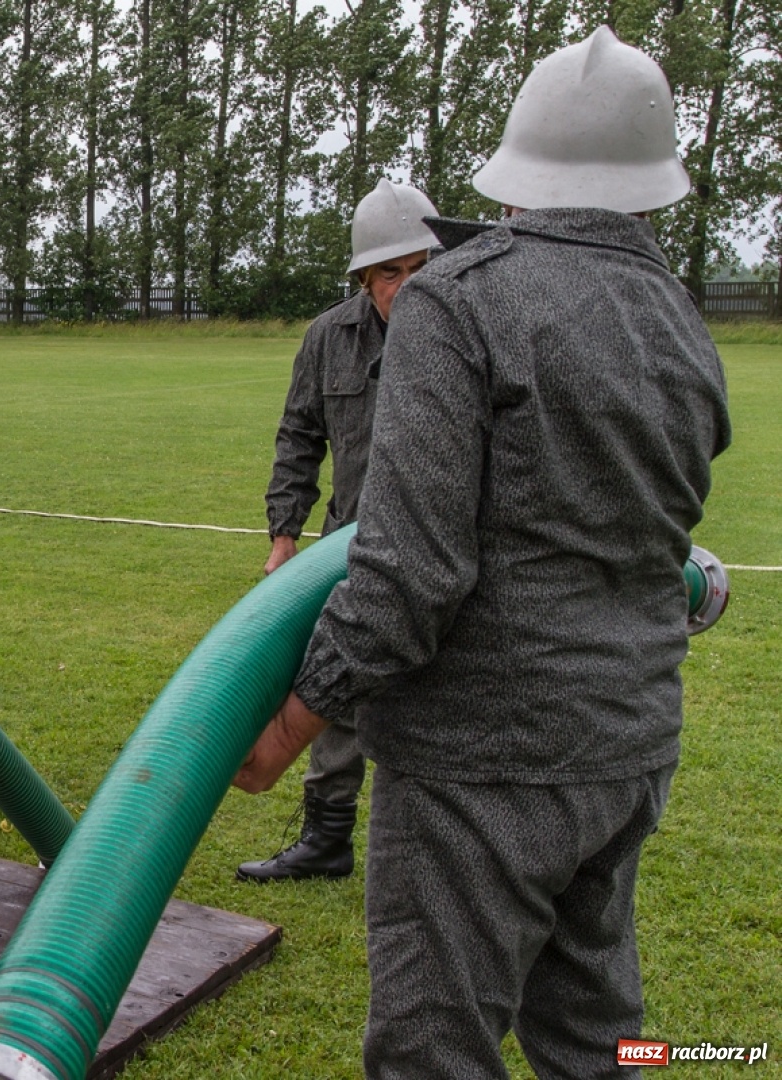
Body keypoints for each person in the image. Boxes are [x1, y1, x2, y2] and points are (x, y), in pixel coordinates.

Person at [232, 28, 729, 1078]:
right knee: (596, 1031)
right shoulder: (680, 318)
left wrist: (284, 727)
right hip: (628, 743)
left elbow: (407, 577)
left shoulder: (460, 303)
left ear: (515, 169)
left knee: (432, 1049)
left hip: (480, 762)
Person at [236, 180, 439, 883]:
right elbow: (300, 435)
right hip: (349, 550)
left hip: (443, 555)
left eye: (421, 269)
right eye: (390, 272)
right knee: (336, 684)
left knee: (434, 702)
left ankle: (433, 858)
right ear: (363, 278)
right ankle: (326, 840)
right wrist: (284, 535)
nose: (407, 287)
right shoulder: (330, 338)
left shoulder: (464, 336)